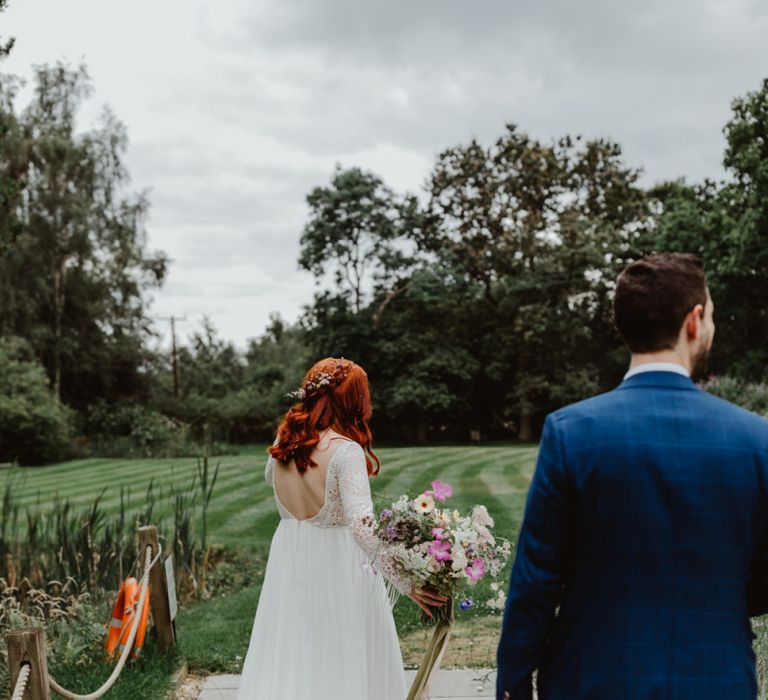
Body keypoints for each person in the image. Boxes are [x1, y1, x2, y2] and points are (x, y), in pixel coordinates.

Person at [496, 253, 768, 699]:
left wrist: (514, 682)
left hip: (594, 679)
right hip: (714, 678)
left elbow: (536, 579)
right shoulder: (756, 439)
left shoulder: (572, 432)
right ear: (695, 321)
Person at [237, 357, 447, 700]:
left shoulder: (283, 444)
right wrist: (406, 582)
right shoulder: (345, 452)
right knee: (341, 651)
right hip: (338, 567)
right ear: (351, 401)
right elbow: (363, 529)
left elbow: (269, 478)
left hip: (291, 561)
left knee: (295, 652)